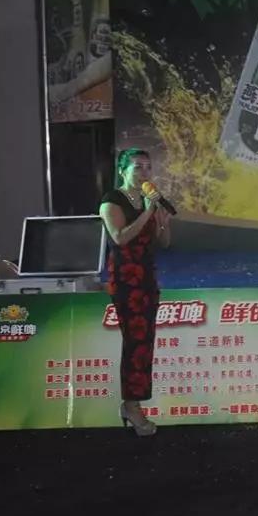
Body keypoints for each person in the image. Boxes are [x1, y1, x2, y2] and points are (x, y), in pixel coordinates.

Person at [99, 149, 173, 437]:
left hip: (147, 277)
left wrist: (163, 221)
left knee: (145, 342)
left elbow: (164, 242)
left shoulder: (148, 201)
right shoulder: (111, 201)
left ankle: (132, 403)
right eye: (137, 167)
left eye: (148, 167)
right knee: (135, 342)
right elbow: (120, 237)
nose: (144, 172)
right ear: (122, 171)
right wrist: (147, 212)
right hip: (125, 279)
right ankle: (132, 406)